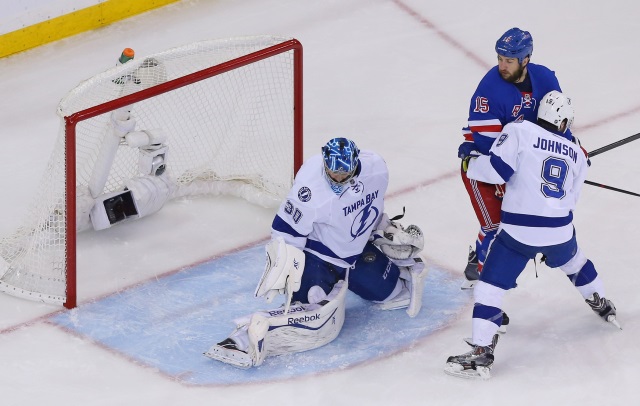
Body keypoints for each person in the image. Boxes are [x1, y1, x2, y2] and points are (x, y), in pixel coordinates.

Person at [204, 137, 427, 368]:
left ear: (356, 163)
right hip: (317, 257)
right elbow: (286, 232)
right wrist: (286, 266)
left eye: (343, 173)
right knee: (312, 310)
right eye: (332, 173)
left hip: (355, 254)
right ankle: (241, 337)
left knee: (395, 294)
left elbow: (370, 203)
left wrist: (382, 226)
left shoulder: (376, 168)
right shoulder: (309, 189)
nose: (337, 179)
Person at [445, 91, 620, 380]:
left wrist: (470, 161)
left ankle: (481, 352)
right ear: (563, 121)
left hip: (518, 232)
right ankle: (601, 302)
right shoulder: (577, 153)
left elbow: (495, 172)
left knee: (490, 287)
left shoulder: (519, 130)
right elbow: (572, 197)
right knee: (575, 263)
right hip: (560, 231)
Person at [459, 27, 578, 289]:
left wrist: (572, 149)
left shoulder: (545, 78)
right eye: (500, 59)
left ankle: (476, 261)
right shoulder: (489, 91)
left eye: (509, 60)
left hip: (522, 164)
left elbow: (556, 124)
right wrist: (530, 168)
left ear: (525, 59)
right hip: (484, 165)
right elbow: (490, 148)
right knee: (497, 228)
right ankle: (483, 284)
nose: (502, 65)